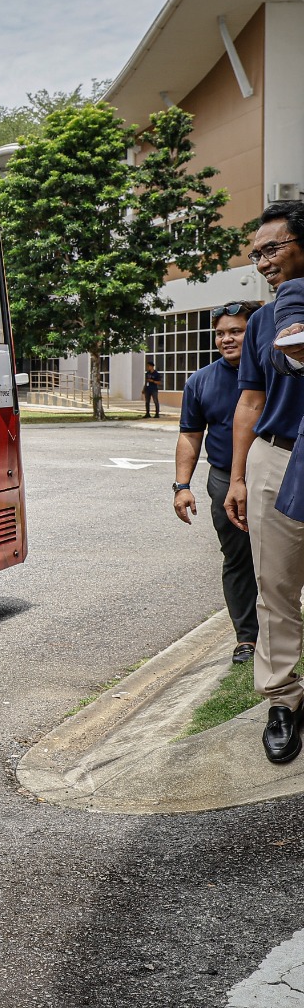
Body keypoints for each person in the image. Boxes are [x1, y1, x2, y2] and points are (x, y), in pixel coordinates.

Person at [225, 202, 304, 765]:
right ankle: (282, 699)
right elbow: (250, 402)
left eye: (271, 249)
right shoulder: (260, 321)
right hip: (276, 459)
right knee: (274, 586)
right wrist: (237, 475)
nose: (263, 262)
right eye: (256, 255)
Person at [173, 302, 259, 665]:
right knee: (237, 560)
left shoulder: (279, 372)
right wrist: (181, 486)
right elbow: (190, 436)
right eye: (221, 333)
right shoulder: (201, 381)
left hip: (280, 476)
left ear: (253, 332)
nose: (226, 339)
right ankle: (247, 639)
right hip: (224, 479)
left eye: (235, 331)